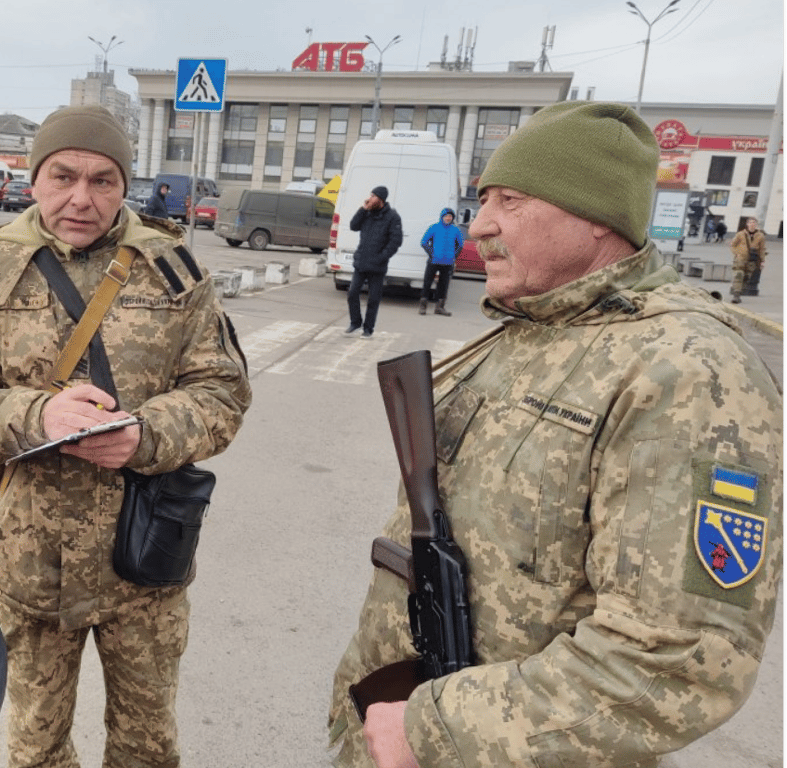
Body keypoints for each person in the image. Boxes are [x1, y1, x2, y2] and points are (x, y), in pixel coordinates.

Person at [328, 101, 782, 768]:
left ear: (599, 217)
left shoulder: (690, 374)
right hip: (402, 721)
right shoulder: (536, 325)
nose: (481, 224)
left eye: (510, 200)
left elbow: (679, 661)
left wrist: (432, 729)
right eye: (484, 199)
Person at [0, 104, 252, 768]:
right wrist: (36, 416)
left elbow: (224, 391)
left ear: (125, 186)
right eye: (63, 175)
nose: (82, 197)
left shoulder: (173, 269)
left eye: (103, 180)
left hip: (146, 562)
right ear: (34, 178)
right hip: (32, 563)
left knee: (147, 746)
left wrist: (147, 435)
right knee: (36, 748)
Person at [344, 185, 403, 337]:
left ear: (380, 199)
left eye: (373, 196)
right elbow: (353, 226)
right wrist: (363, 209)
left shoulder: (392, 217)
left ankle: (368, 328)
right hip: (361, 262)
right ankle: (355, 322)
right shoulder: (367, 213)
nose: (369, 198)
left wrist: (381, 257)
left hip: (377, 265)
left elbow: (395, 241)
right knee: (352, 293)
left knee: (373, 299)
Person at [417, 207, 464, 316]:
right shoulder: (434, 227)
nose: (448, 218)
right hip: (434, 261)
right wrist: (432, 254)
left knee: (443, 285)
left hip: (448, 263)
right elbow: (424, 242)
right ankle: (423, 306)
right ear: (442, 217)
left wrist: (454, 256)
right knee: (427, 283)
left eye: (450, 216)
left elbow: (460, 245)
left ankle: (439, 308)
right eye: (446, 216)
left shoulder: (456, 230)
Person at [728, 216, 765, 302]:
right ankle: (736, 296)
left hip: (752, 261)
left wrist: (762, 261)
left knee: (746, 278)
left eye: (754, 223)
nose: (752, 224)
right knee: (738, 276)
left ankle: (739, 293)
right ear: (747, 224)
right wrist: (737, 253)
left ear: (756, 225)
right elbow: (732, 245)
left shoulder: (760, 236)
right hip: (740, 259)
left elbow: (762, 249)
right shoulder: (740, 234)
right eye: (751, 222)